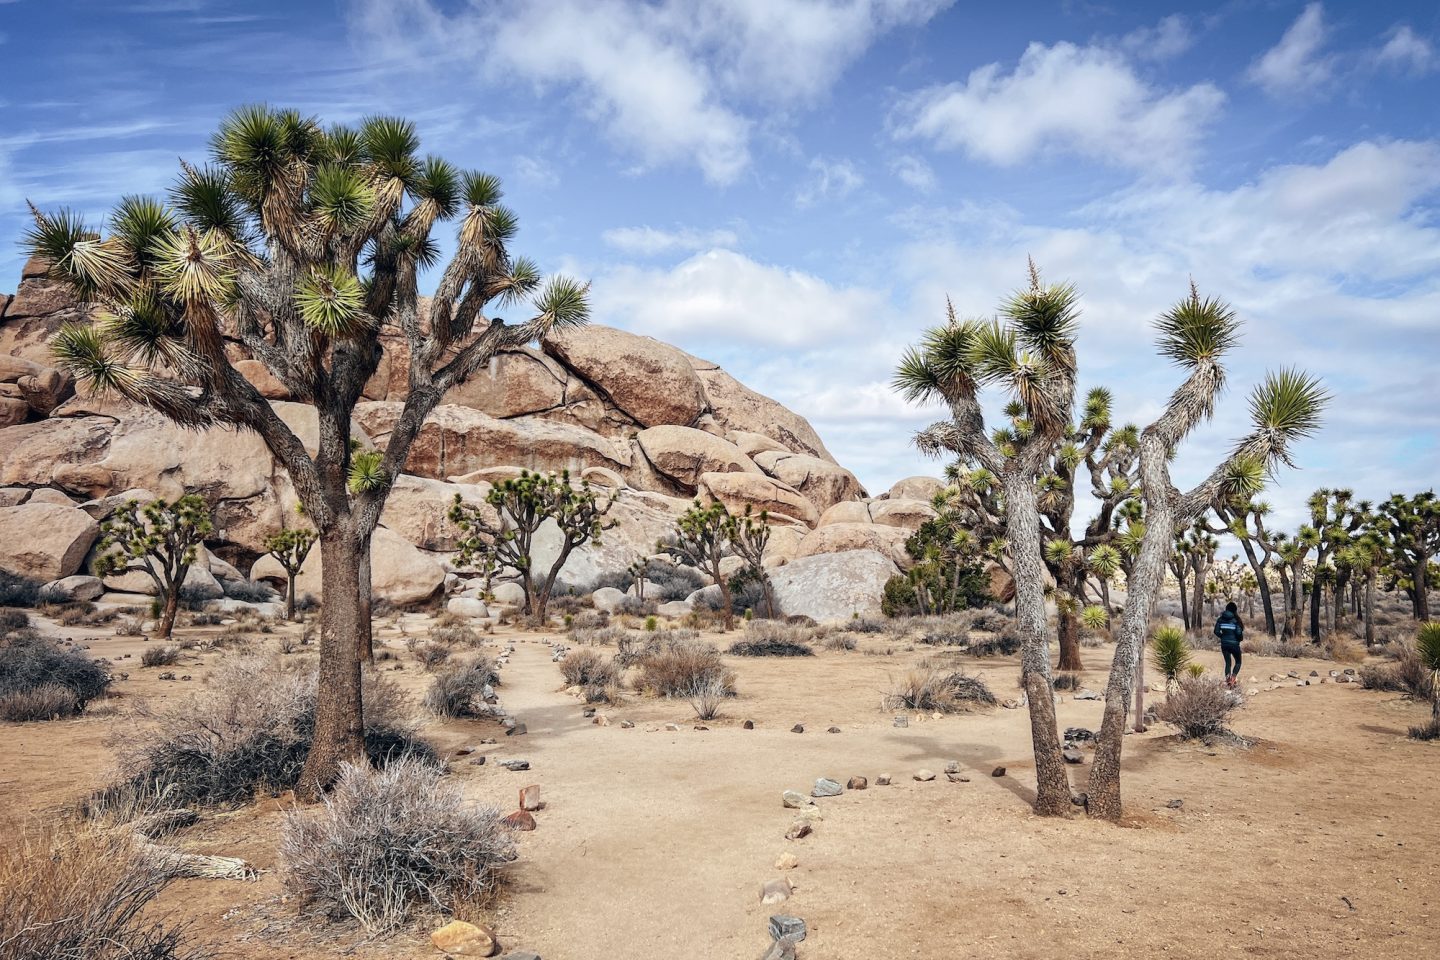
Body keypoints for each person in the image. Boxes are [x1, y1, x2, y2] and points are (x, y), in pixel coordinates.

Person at [1215, 601, 1245, 688]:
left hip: (1224, 644)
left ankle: (1228, 680)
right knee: (1238, 662)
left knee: (1228, 663)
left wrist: (1223, 637)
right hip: (1234, 644)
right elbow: (1238, 633)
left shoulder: (1220, 619)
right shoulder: (1236, 620)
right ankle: (1233, 679)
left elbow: (1216, 631)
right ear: (1235, 610)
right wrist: (1239, 639)